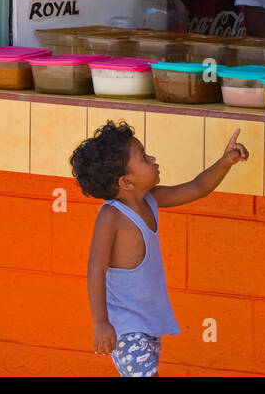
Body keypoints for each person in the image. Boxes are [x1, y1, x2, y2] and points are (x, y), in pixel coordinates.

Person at [70, 119, 249, 376]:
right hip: (126, 328)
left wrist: (225, 162)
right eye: (143, 157)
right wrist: (100, 322)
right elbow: (95, 270)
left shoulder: (151, 200)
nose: (152, 158)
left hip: (148, 326)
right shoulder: (111, 216)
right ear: (126, 182)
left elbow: (197, 188)